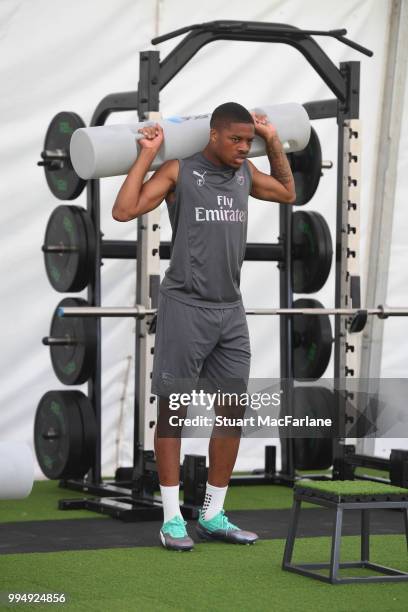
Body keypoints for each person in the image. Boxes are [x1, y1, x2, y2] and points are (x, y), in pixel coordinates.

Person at [112, 102, 296, 551]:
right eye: (236, 140)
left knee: (232, 411)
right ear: (213, 135)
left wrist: (272, 140)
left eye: (247, 141)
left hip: (230, 311)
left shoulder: (245, 173)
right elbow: (123, 210)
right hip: (184, 307)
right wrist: (146, 153)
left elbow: (288, 193)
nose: (242, 147)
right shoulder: (179, 171)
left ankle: (213, 514)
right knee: (174, 412)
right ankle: (172, 518)